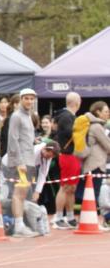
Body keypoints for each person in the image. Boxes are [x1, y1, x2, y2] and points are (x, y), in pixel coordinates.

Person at [5, 87, 39, 237]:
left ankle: (20, 224)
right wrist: (19, 161)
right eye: (27, 98)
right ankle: (18, 226)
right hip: (21, 162)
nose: (29, 101)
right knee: (18, 194)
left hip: (29, 160)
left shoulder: (29, 116)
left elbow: (24, 138)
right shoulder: (16, 116)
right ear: (21, 99)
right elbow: (13, 140)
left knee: (23, 194)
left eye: (32, 99)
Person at [52, 91, 81, 228]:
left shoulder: (68, 116)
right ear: (77, 103)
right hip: (67, 155)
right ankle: (58, 217)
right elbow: (72, 133)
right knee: (65, 187)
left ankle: (70, 217)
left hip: (72, 155)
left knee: (72, 188)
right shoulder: (66, 116)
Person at [81, 101, 110, 205]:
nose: (108, 114)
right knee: (93, 195)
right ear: (98, 112)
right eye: (106, 111)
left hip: (92, 164)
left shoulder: (94, 125)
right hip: (95, 165)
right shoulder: (97, 127)